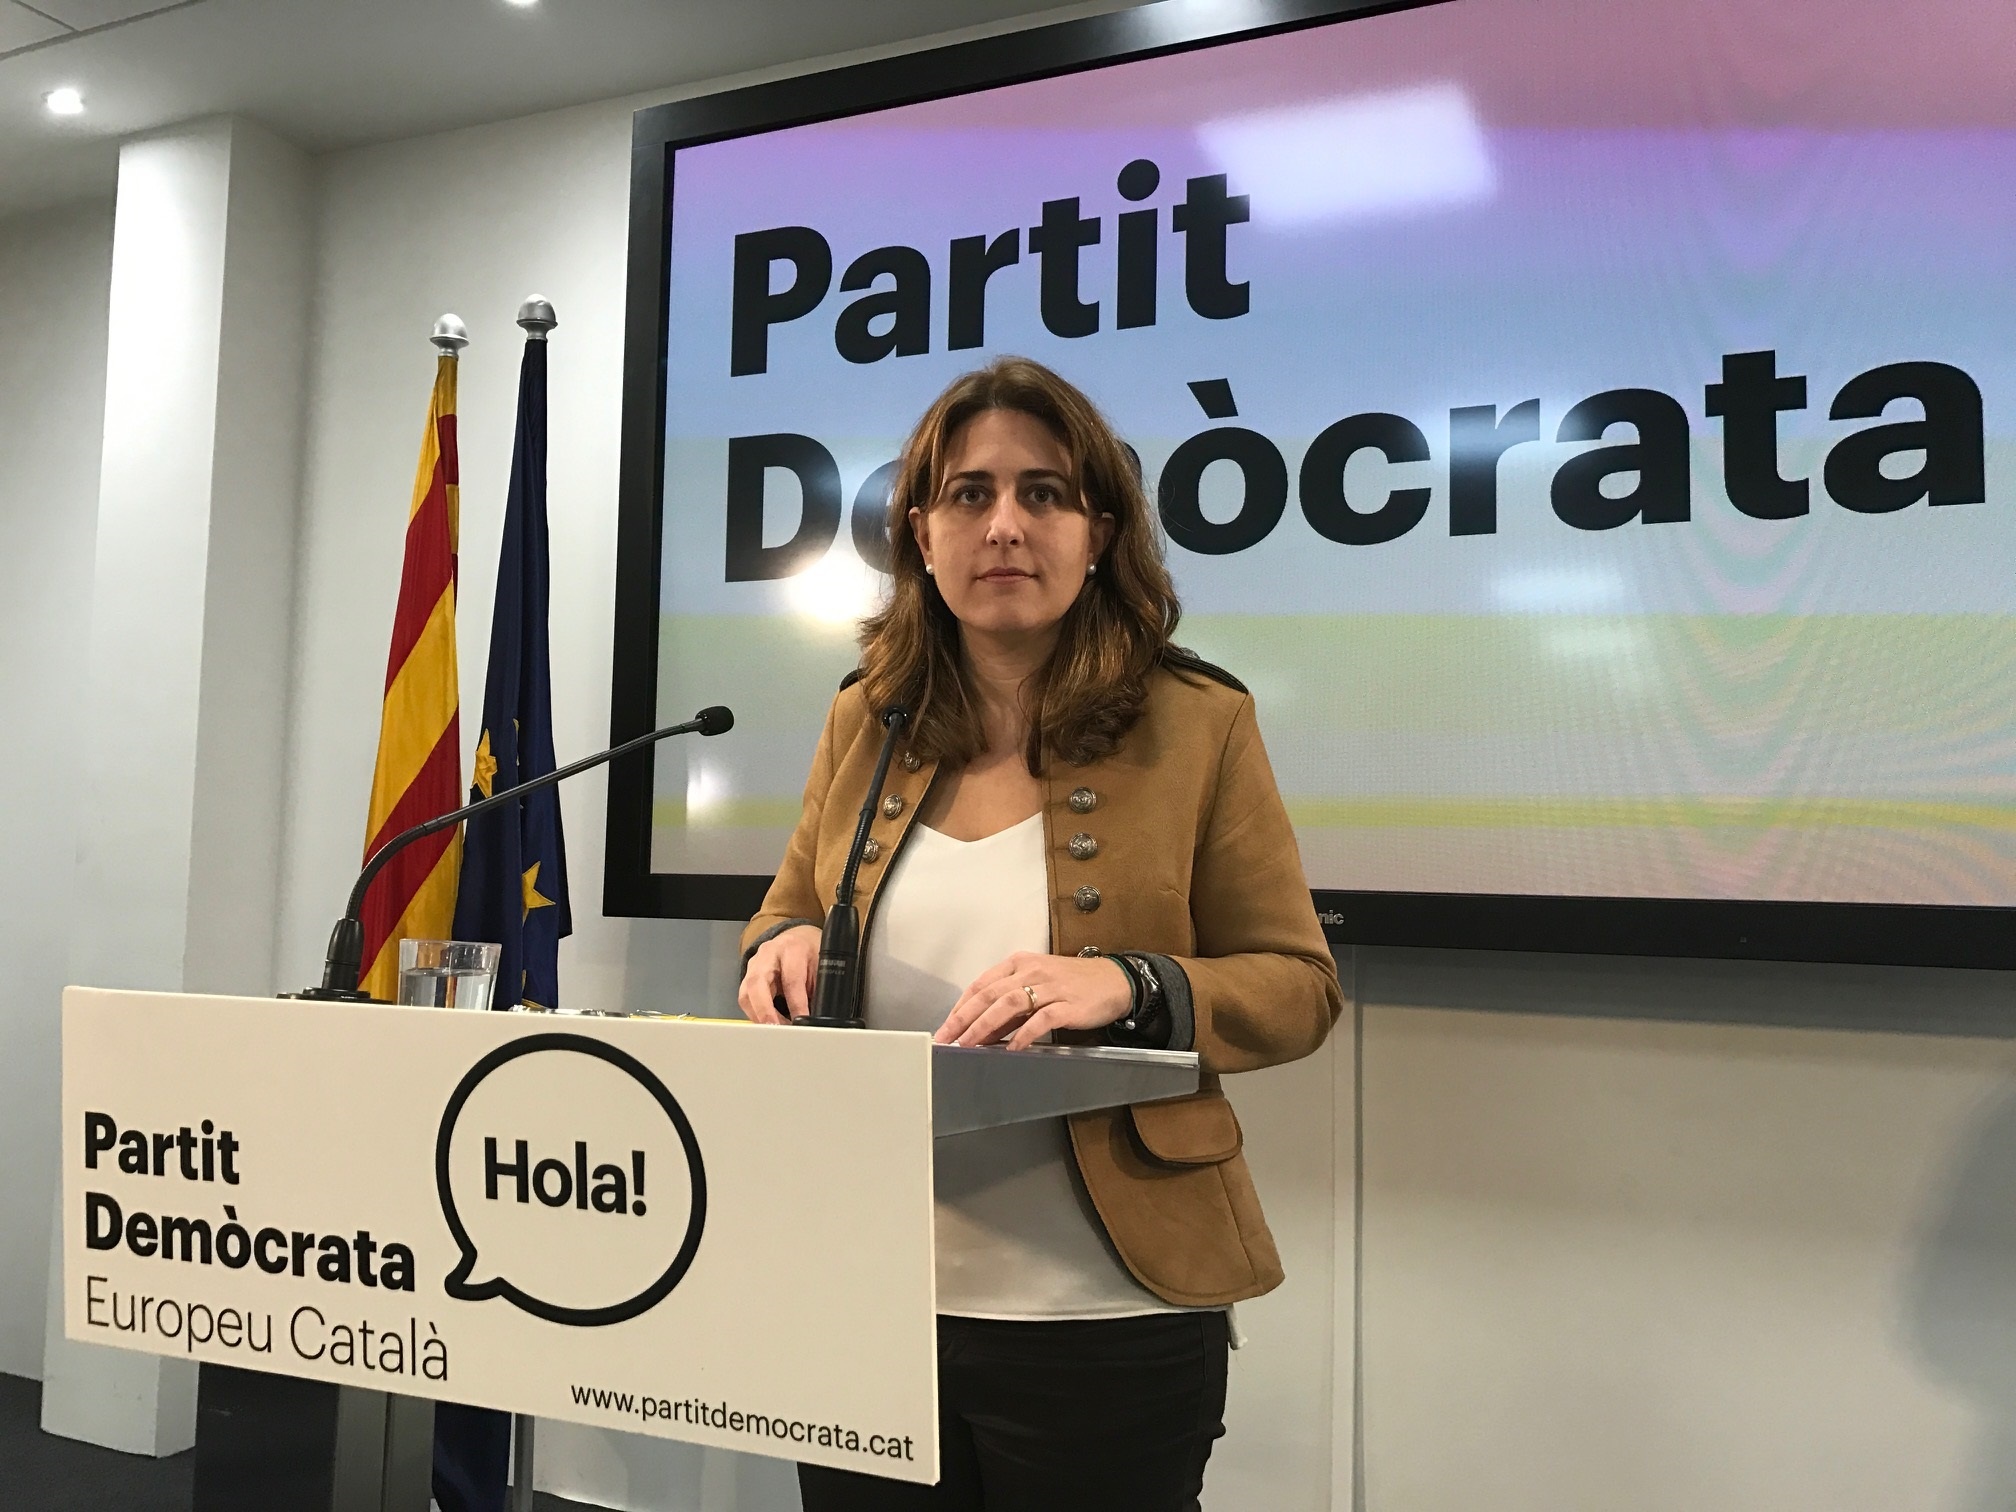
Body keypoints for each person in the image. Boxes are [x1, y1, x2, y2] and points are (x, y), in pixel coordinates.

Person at [737, 356, 1342, 1512]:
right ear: (921, 533)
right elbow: (791, 906)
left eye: (1045, 493)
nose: (1004, 525)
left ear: (1099, 533)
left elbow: (1299, 987)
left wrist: (1133, 987)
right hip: (867, 1299)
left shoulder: (1201, 721)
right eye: (969, 494)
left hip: (1103, 1324)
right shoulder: (866, 716)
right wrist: (779, 946)